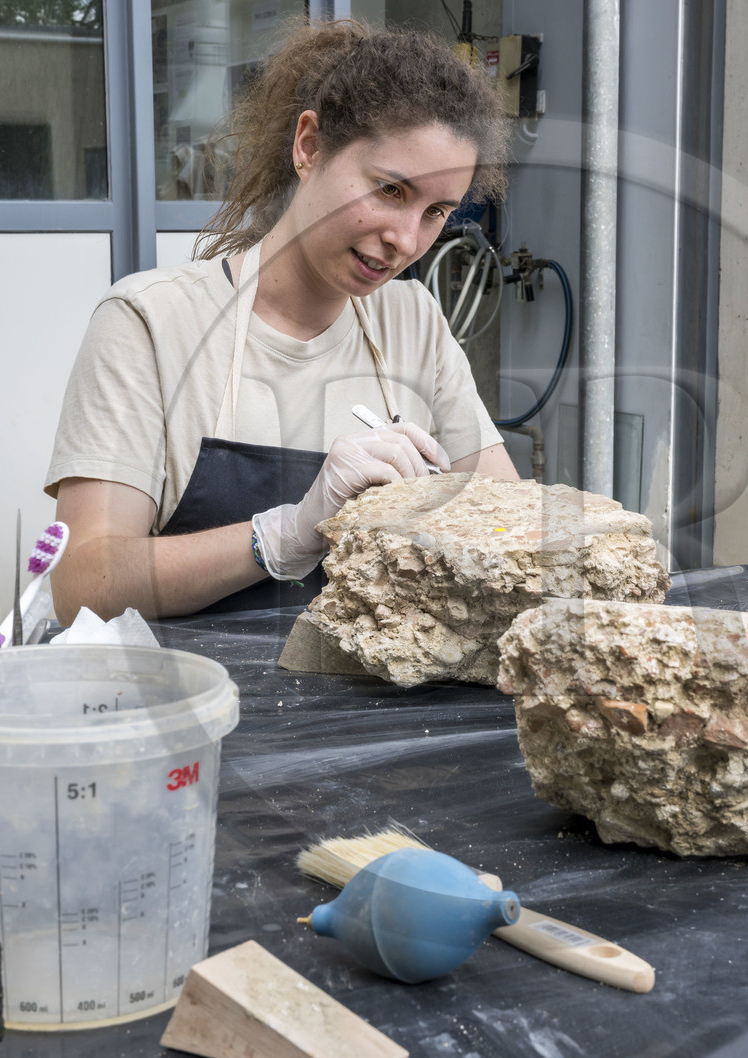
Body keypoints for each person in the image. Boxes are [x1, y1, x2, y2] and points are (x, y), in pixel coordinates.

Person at [43, 21, 518, 621]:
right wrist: (285, 533)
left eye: (436, 212)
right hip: (192, 679)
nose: (405, 239)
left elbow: (510, 525)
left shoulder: (413, 323)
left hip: (367, 683)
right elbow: (82, 586)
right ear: (309, 147)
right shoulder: (151, 323)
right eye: (390, 190)